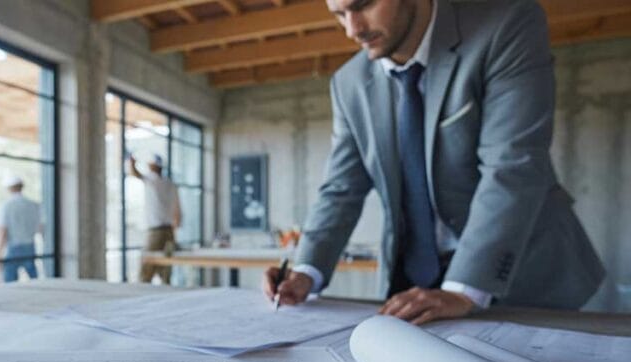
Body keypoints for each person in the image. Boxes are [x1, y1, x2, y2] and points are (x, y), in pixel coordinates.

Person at [264, 0, 604, 324]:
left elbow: (512, 163)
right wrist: (305, 271)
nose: (353, 29)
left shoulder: (506, 26)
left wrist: (462, 289)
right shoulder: (348, 83)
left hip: (521, 276)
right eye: (339, 14)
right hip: (413, 284)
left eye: (364, 5)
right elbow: (340, 189)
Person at [129, 154, 181, 284]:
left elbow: (134, 173)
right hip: (169, 231)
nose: (148, 166)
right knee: (165, 272)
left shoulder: (152, 180)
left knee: (145, 271)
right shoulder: (170, 184)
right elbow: (177, 211)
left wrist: (131, 162)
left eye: (149, 164)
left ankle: (140, 300)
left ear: (154, 166)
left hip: (155, 232)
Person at [0, 175, 42, 283]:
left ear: (9, 188)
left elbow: (3, 231)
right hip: (30, 246)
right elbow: (40, 227)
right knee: (35, 282)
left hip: (14, 247)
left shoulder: (6, 206)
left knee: (10, 284)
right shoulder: (34, 205)